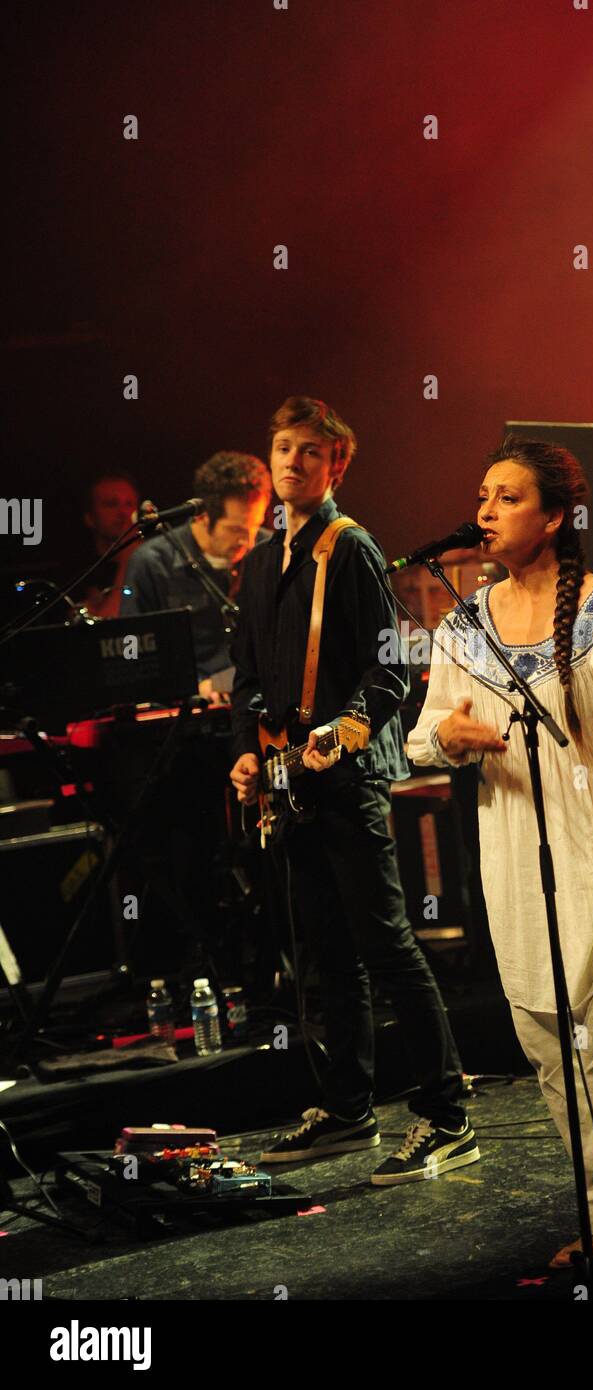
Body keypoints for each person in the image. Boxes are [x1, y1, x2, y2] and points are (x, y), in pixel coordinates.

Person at [405, 434, 593, 1283]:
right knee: (543, 1041)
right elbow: (426, 735)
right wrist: (453, 738)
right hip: (513, 844)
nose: (486, 512)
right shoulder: (463, 623)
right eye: (483, 496)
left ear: (552, 517)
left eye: (506, 497)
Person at [228, 395, 478, 1185]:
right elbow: (245, 680)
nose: (292, 462)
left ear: (336, 465)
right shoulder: (262, 563)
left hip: (347, 778)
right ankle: (346, 1110)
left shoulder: (351, 548)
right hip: (285, 782)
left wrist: (342, 730)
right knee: (324, 956)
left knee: (385, 947)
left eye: (309, 451)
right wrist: (245, 752)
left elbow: (391, 670)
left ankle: (447, 1116)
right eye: (281, 448)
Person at [121, 452, 271, 696]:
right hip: (187, 712)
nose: (248, 540)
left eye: (256, 526)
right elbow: (133, 655)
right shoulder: (152, 563)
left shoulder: (270, 550)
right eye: (235, 529)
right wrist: (193, 687)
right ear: (202, 515)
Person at [79, 470, 141, 617]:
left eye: (129, 504)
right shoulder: (82, 574)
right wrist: (128, 560)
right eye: (112, 504)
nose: (124, 513)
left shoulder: (154, 563)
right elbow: (106, 625)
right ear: (90, 518)